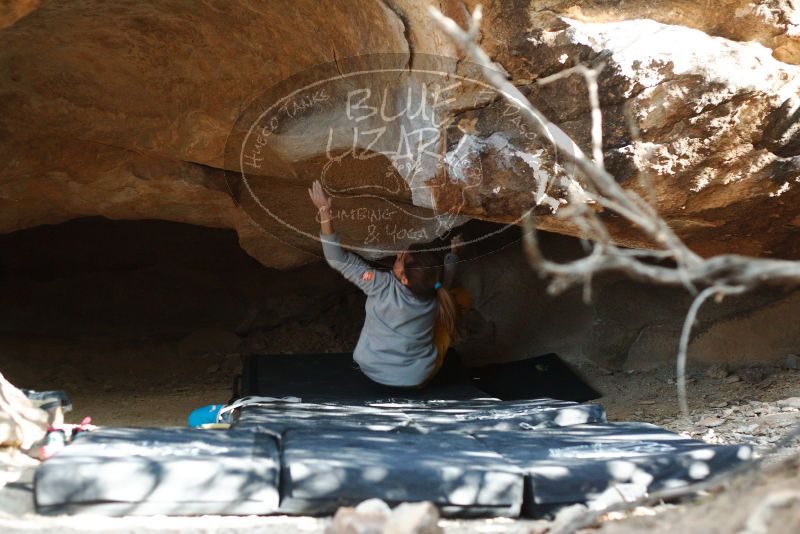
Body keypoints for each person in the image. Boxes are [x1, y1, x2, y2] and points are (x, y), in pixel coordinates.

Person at [308, 180, 467, 388]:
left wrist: (324, 212)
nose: (399, 254)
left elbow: (337, 258)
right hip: (418, 377)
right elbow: (447, 276)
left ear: (404, 279)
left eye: (402, 259)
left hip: (373, 371)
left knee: (449, 301)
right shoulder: (437, 290)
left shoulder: (377, 284)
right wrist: (454, 254)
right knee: (459, 298)